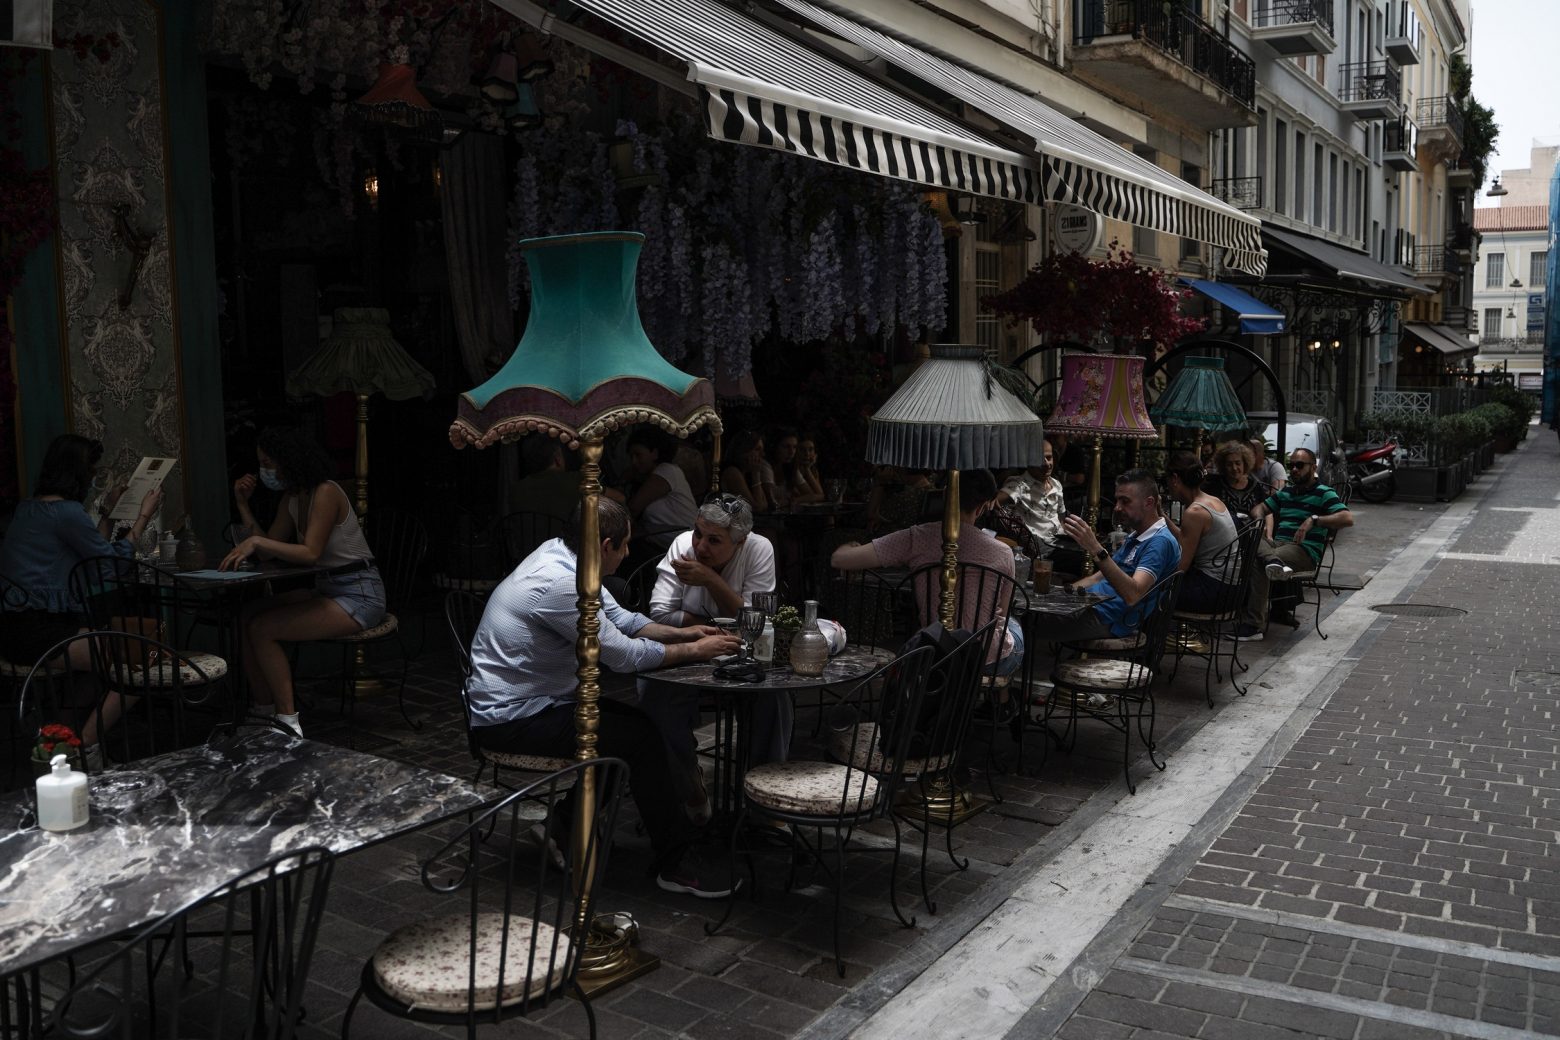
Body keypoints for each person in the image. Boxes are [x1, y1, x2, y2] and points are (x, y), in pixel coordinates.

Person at [464, 497, 740, 898]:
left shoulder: (563, 554)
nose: (628, 554)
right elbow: (624, 656)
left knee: (634, 728)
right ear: (606, 546)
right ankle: (675, 862)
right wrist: (696, 651)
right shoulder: (561, 585)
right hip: (510, 719)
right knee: (638, 740)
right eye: (625, 545)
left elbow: (622, 620)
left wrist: (686, 634)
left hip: (541, 702)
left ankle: (563, 825)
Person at [0, 434, 163, 762]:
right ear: (76, 472)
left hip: (15, 628)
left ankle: (61, 740)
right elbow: (109, 566)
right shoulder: (66, 512)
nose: (93, 476)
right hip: (40, 631)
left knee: (115, 654)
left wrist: (109, 514)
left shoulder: (29, 508)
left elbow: (89, 559)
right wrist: (143, 516)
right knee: (146, 656)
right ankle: (87, 745)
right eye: (90, 469)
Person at [219, 426, 385, 737]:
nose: (264, 471)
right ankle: (263, 711)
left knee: (263, 628)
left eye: (268, 463)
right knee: (244, 618)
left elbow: (310, 552)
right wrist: (242, 505)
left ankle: (287, 722)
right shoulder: (293, 498)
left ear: (289, 460)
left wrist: (256, 542)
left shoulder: (326, 491)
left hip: (359, 593)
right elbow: (267, 551)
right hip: (326, 590)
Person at [645, 494, 787, 816]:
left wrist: (710, 580)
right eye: (698, 533)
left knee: (774, 697)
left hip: (744, 654)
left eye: (714, 540)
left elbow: (757, 622)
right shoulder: (683, 546)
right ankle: (689, 785)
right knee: (655, 693)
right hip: (691, 652)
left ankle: (763, 799)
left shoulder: (758, 548)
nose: (700, 546)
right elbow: (660, 615)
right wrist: (715, 630)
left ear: (740, 542)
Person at [831, 469, 1024, 683]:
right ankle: (999, 699)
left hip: (934, 650)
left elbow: (839, 560)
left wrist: (850, 545)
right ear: (982, 507)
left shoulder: (918, 537)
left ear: (945, 495)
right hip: (986, 658)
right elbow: (1001, 612)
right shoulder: (1003, 552)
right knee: (1012, 623)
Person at [1046, 469, 1183, 644]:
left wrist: (1095, 547)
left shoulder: (1160, 542)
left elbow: (1133, 595)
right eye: (1117, 500)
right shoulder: (1137, 535)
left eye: (1125, 501)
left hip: (1109, 618)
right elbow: (1096, 578)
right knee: (1031, 609)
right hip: (1090, 605)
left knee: (1031, 619)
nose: (1117, 507)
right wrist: (1059, 595)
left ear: (1149, 503)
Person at [1234, 447, 1353, 640]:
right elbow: (1258, 508)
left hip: (1303, 550)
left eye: (1300, 465)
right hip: (1277, 545)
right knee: (1248, 534)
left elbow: (1347, 518)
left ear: (1313, 467)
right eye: (1291, 466)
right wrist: (1259, 521)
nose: (1294, 469)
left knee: (1258, 561)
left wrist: (1314, 520)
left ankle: (1254, 625)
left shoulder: (1324, 493)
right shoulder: (1287, 492)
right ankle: (1272, 561)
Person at [1162, 451, 1242, 614]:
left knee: (1149, 593)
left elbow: (1181, 566)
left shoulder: (1195, 512)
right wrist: (1161, 516)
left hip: (1213, 591)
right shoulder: (1212, 500)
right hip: (1231, 590)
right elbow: (1186, 538)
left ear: (1175, 479)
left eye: (1167, 480)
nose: (1167, 485)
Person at [984, 438, 1065, 557]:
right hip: (1039, 548)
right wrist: (991, 500)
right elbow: (997, 498)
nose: (1047, 464)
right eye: (1039, 460)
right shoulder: (1019, 485)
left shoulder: (1056, 484)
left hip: (1060, 542)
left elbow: (1061, 517)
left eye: (1049, 458)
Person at [624, 425, 698, 552]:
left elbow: (634, 507)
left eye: (638, 455)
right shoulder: (646, 477)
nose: (634, 462)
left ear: (655, 453)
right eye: (631, 457)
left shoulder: (667, 471)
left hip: (689, 546)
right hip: (668, 548)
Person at [514, 435, 580, 522]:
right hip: (564, 531)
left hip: (523, 531)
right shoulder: (575, 480)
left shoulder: (517, 488)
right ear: (557, 458)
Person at [1202, 440, 1272, 518]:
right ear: (1223, 465)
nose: (1234, 468)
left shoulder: (1255, 487)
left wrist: (1267, 525)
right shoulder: (1215, 485)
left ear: (1245, 464)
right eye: (1229, 464)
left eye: (1238, 463)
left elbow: (1268, 511)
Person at [720, 430, 775, 514]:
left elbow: (764, 504)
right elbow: (756, 508)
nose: (762, 454)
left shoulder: (747, 473)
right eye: (757, 449)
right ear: (743, 450)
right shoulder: (732, 472)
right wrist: (756, 474)